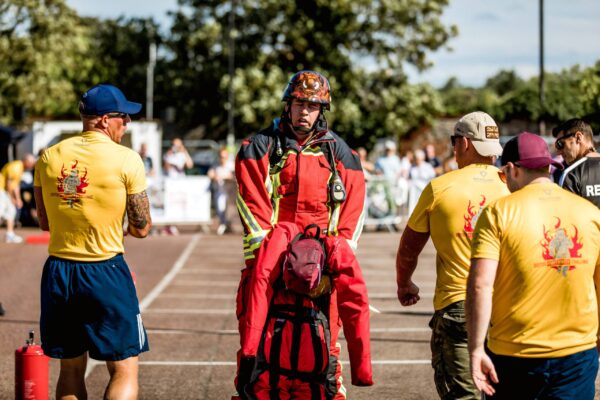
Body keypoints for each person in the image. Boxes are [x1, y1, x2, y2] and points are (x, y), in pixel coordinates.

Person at [234, 70, 372, 399]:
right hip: (270, 273)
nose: (304, 111)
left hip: (322, 278)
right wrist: (279, 265)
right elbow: (254, 212)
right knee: (259, 359)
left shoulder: (341, 154)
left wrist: (328, 267)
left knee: (324, 358)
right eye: (299, 103)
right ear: (288, 105)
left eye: (312, 105)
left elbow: (351, 214)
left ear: (322, 110)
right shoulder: (258, 148)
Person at [33, 83, 152, 400]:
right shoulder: (127, 159)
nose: (127, 123)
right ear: (103, 120)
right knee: (124, 366)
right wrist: (122, 225)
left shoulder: (48, 157)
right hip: (105, 270)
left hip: (60, 271)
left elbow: (44, 221)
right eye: (123, 117)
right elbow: (142, 228)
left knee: (70, 368)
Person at [467, 132, 600, 399]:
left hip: (513, 352)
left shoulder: (496, 213)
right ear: (548, 167)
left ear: (511, 169)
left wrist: (475, 349)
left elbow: (480, 285)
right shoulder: (590, 213)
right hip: (577, 352)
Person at [395, 111, 509, 400]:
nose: (454, 147)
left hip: (459, 305)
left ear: (466, 144)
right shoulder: (512, 184)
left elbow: (409, 247)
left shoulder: (439, 187)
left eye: (454, 141)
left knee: (463, 395)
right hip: (509, 305)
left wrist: (404, 283)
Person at [553, 118, 600, 207]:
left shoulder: (572, 174)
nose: (558, 152)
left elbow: (568, 216)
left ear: (578, 137)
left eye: (560, 144)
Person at [0, 153, 37, 242]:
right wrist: (12, 198)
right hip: (1, 190)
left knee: (11, 211)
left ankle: (9, 235)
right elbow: (9, 184)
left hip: (4, 191)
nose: (33, 165)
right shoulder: (16, 167)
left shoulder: (20, 168)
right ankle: (10, 235)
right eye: (32, 163)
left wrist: (18, 199)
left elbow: (16, 186)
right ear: (26, 161)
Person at [207, 146, 235, 235]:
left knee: (229, 210)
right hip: (220, 190)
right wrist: (213, 176)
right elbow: (210, 173)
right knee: (220, 208)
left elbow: (235, 176)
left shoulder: (231, 165)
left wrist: (226, 177)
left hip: (231, 191)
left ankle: (226, 225)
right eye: (221, 156)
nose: (223, 159)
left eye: (224, 157)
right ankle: (223, 224)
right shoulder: (216, 165)